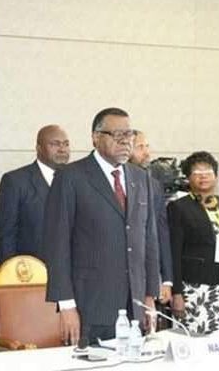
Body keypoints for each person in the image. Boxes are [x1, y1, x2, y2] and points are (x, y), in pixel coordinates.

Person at [41, 107, 160, 345]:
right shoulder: (71, 177)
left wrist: (149, 295)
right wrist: (66, 305)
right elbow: (57, 244)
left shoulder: (140, 177)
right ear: (96, 138)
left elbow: (149, 238)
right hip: (90, 305)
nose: (125, 141)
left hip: (135, 304)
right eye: (117, 135)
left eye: (129, 135)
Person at [169, 151, 219, 334]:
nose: (203, 176)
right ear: (188, 178)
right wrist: (177, 292)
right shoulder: (179, 207)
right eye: (197, 172)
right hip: (194, 287)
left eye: (208, 172)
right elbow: (174, 252)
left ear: (216, 176)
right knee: (193, 338)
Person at [0, 125, 70, 262]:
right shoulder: (15, 181)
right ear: (38, 148)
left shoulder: (76, 180)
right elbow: (6, 236)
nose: (62, 149)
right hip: (30, 269)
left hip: (70, 269)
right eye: (55, 144)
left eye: (66, 144)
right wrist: (10, 271)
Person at [129, 130, 173, 304]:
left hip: (148, 272)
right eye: (140, 147)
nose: (147, 152)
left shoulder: (154, 185)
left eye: (147, 146)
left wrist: (166, 279)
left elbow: (161, 233)